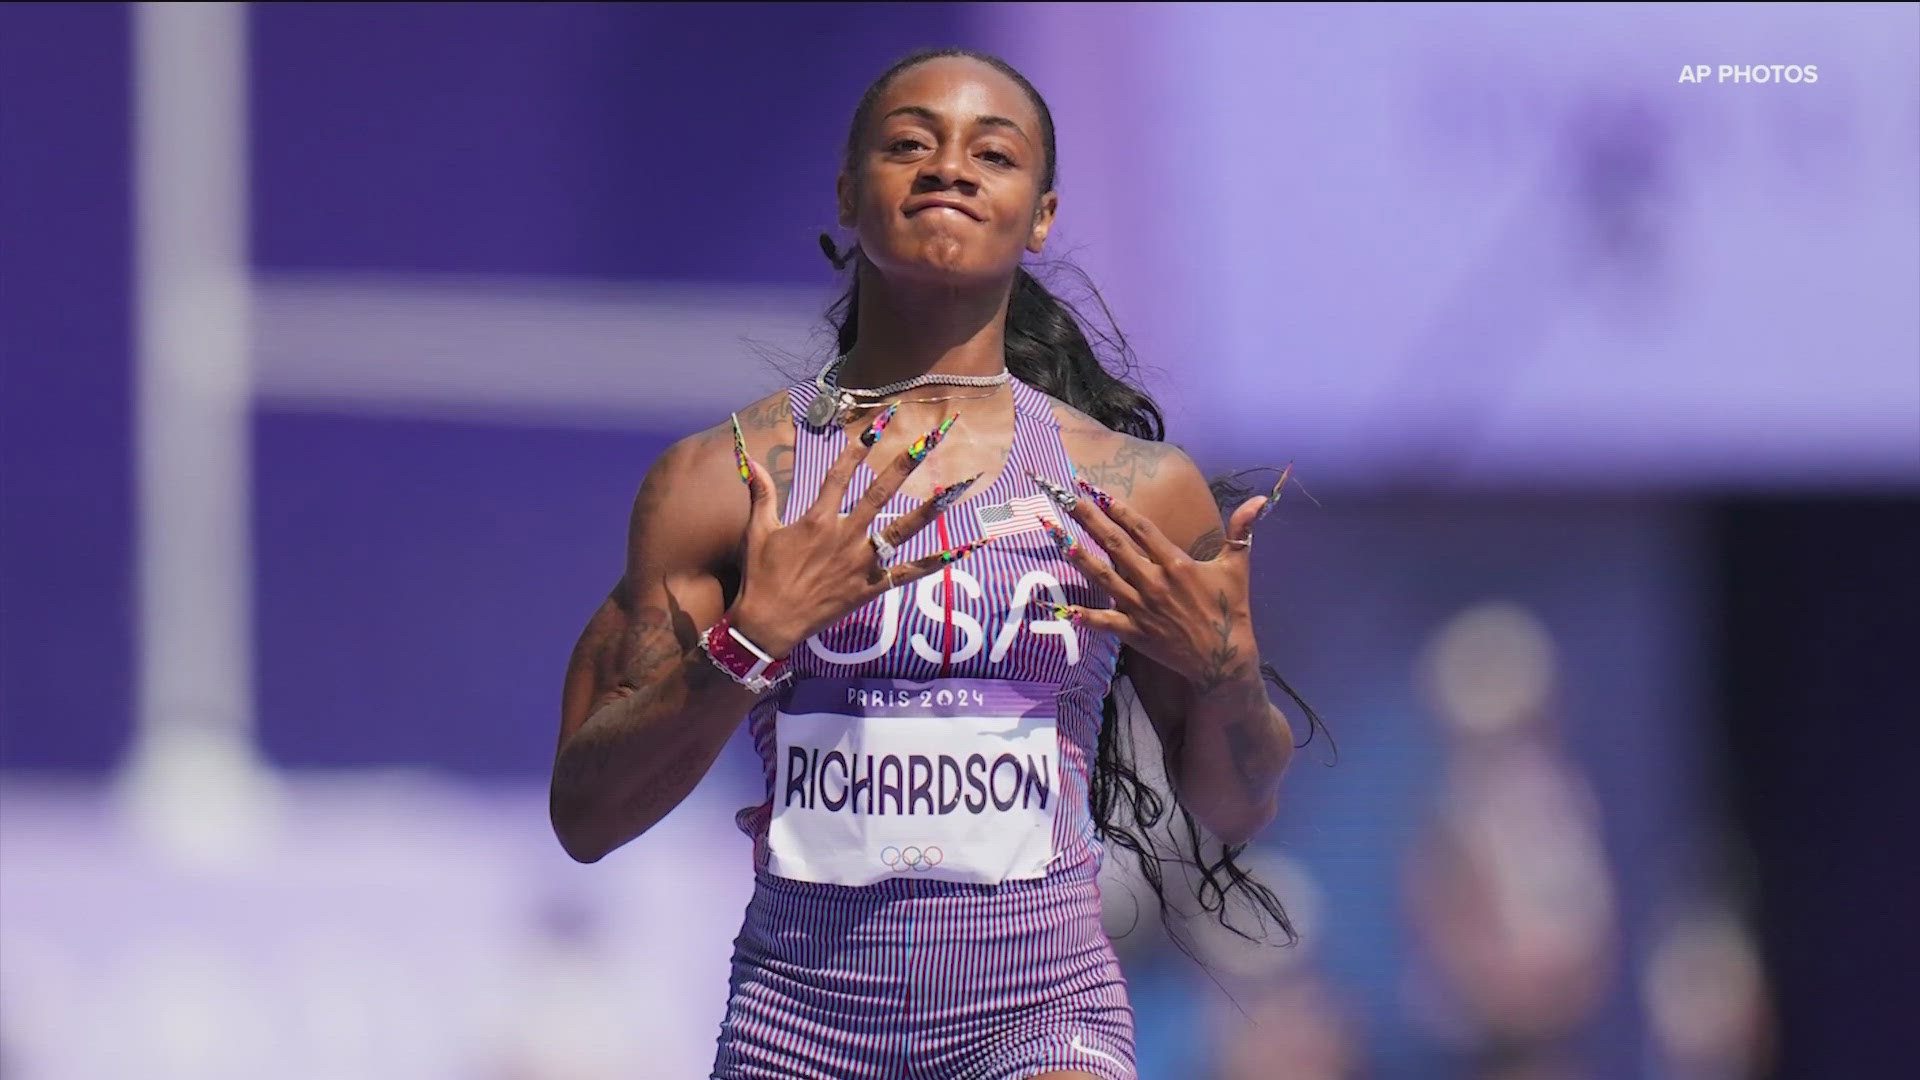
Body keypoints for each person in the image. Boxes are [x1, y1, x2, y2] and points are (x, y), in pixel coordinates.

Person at [550, 47, 1322, 1080]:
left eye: (990, 153)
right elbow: (587, 815)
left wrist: (1226, 677)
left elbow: (1236, 807)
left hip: (1042, 1021)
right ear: (846, 192)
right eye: (910, 143)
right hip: (800, 1028)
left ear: (1040, 215)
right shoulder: (726, 482)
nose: (948, 168)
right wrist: (748, 644)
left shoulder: (1136, 489)